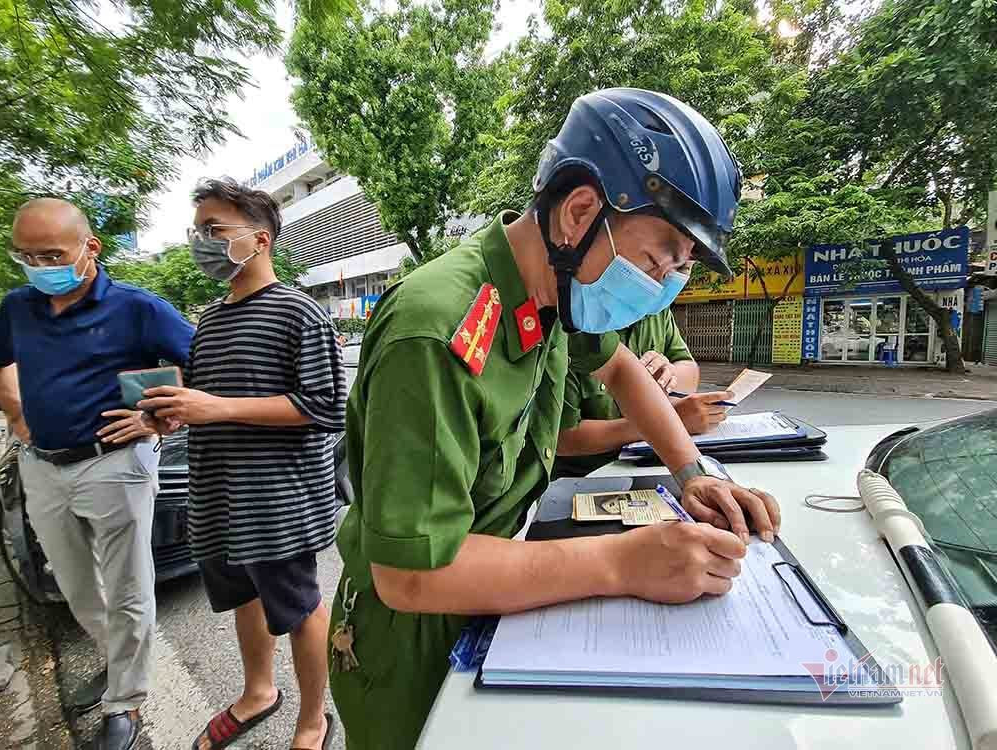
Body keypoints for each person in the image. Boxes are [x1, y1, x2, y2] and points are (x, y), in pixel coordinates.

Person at [329, 88, 781, 749]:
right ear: (578, 212)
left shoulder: (554, 292)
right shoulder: (436, 330)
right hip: (414, 646)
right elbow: (410, 576)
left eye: (675, 274)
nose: (656, 289)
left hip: (504, 585)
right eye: (655, 260)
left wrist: (693, 474)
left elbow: (623, 371)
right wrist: (627, 564)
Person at [138, 179, 346, 750]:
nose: (202, 243)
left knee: (299, 608)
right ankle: (259, 691)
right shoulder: (208, 320)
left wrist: (216, 405)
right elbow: (210, 403)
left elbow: (326, 406)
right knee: (242, 597)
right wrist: (173, 414)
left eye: (214, 231)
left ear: (259, 238)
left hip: (278, 501)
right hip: (218, 495)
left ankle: (313, 719)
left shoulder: (299, 312)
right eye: (197, 231)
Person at [0, 198, 194, 750]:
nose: (39, 266)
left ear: (91, 249)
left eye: (52, 254)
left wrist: (154, 417)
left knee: (130, 587)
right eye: (27, 256)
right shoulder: (16, 307)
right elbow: (1, 361)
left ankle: (125, 699)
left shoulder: (137, 308)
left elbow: (200, 364)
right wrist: (15, 411)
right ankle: (116, 661)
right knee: (76, 585)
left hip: (114, 463)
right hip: (42, 467)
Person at [554, 291, 735, 478]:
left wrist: (670, 374)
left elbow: (689, 370)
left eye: (682, 267)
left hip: (652, 462)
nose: (667, 277)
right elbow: (562, 438)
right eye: (657, 262)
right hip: (582, 476)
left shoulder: (657, 311)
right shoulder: (579, 319)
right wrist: (670, 421)